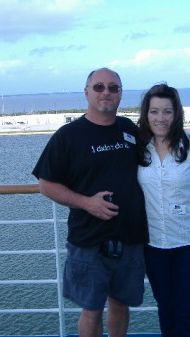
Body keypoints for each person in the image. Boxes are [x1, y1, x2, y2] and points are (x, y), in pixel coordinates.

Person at [32, 68, 148, 337]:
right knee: (92, 309)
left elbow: (161, 157)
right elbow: (46, 185)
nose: (106, 92)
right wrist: (86, 203)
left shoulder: (129, 129)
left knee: (121, 303)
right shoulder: (68, 135)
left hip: (131, 237)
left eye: (113, 87)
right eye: (98, 87)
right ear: (86, 92)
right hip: (89, 240)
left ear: (120, 94)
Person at [137, 83, 190, 337]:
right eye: (154, 111)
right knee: (165, 308)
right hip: (153, 245)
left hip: (189, 244)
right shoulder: (139, 149)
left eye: (167, 111)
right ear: (146, 114)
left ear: (176, 113)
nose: (160, 118)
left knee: (188, 309)